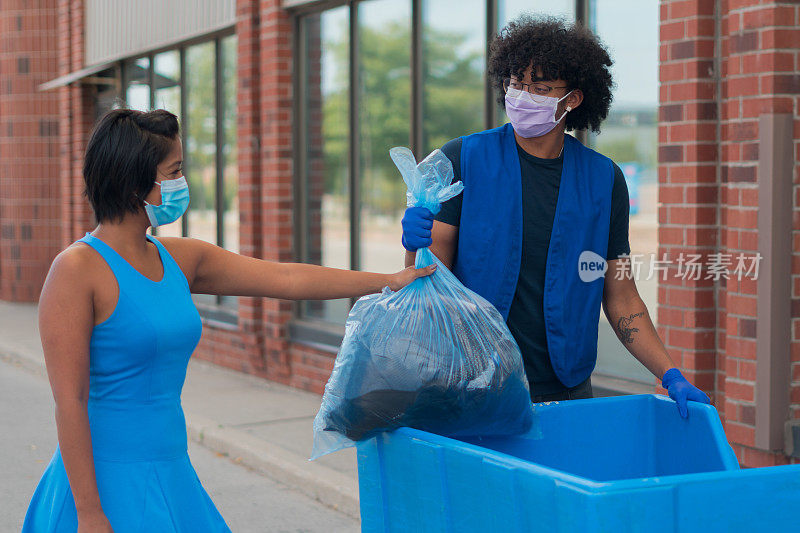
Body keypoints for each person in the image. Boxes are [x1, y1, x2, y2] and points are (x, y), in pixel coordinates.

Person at [23, 108, 434, 532]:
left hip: (172, 470)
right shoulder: (75, 270)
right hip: (103, 485)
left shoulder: (180, 258)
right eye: (175, 171)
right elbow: (68, 402)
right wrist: (89, 514)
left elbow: (287, 278)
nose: (184, 183)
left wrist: (388, 280)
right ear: (135, 184)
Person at [401, 16, 710, 416]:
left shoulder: (603, 179)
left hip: (566, 389)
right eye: (516, 83)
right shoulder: (465, 159)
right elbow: (425, 279)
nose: (523, 96)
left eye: (541, 88)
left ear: (574, 99)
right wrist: (413, 247)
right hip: (472, 382)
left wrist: (670, 374)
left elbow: (620, 295)